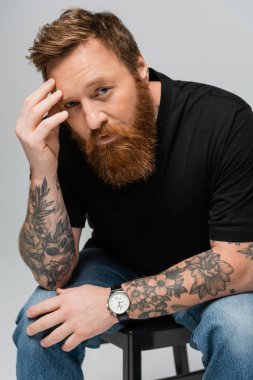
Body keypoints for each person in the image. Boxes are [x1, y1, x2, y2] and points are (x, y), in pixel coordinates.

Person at [13, 7, 253, 380]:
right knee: (39, 322)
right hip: (117, 262)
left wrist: (115, 303)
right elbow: (51, 276)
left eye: (103, 91)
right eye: (72, 104)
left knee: (244, 333)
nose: (92, 120)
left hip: (212, 272)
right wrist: (42, 168)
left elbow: (239, 266)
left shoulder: (224, 120)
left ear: (139, 67)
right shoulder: (70, 136)